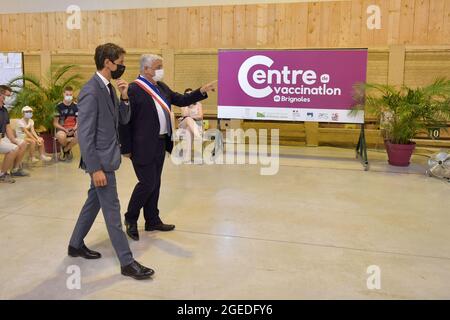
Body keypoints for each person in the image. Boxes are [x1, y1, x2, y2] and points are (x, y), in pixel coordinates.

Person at [68, 43, 154, 280]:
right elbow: (84, 135)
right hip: (101, 163)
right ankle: (127, 262)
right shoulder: (90, 90)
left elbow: (123, 119)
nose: (122, 67)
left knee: (92, 203)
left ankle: (75, 244)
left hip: (108, 158)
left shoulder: (109, 88)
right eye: (120, 62)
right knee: (113, 212)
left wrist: (125, 97)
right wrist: (95, 168)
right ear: (108, 62)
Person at [119, 54, 216, 241]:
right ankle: (130, 218)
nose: (161, 70)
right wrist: (126, 147)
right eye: (158, 66)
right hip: (141, 146)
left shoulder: (161, 87)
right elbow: (124, 121)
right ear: (146, 69)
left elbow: (180, 99)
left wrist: (201, 91)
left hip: (160, 142)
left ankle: (152, 219)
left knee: (155, 182)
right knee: (146, 183)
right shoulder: (133, 89)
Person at [0, 85, 29, 182]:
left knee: (22, 143)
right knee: (14, 149)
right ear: (1, 95)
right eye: (7, 96)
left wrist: (13, 139)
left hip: (3, 137)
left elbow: (7, 126)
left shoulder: (4, 110)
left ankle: (15, 169)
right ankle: (3, 174)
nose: (8, 98)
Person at [178, 88, 204, 162]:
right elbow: (185, 115)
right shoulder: (183, 104)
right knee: (188, 119)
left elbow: (201, 116)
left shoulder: (199, 104)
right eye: (187, 95)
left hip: (193, 126)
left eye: (191, 94)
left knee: (189, 130)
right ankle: (198, 136)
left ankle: (187, 156)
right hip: (183, 124)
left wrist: (192, 117)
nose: (189, 96)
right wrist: (187, 104)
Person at [54, 86, 78, 161]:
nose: (69, 96)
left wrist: (74, 129)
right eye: (67, 94)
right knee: (61, 136)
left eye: (70, 95)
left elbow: (79, 121)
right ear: (63, 94)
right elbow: (55, 123)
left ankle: (65, 149)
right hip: (62, 129)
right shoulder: (58, 106)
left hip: (73, 128)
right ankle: (67, 149)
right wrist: (65, 129)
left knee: (82, 134)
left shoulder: (76, 106)